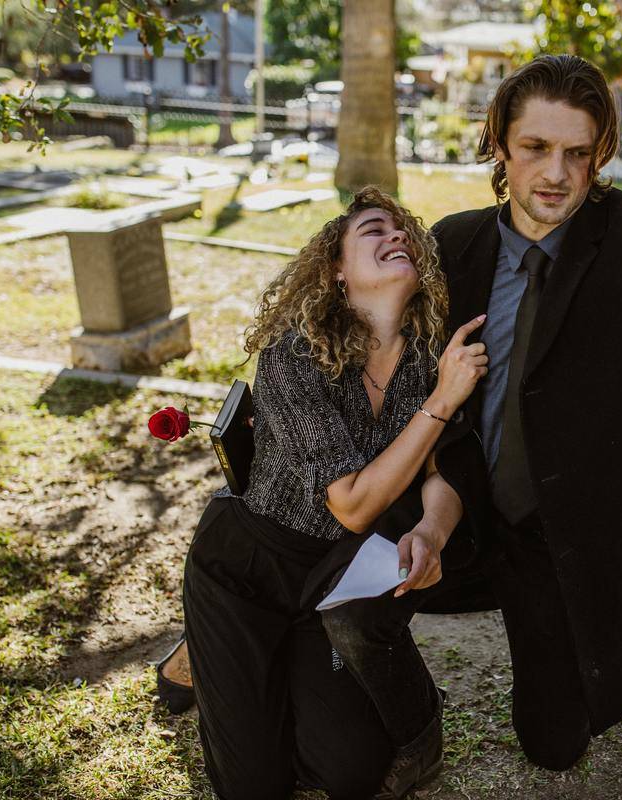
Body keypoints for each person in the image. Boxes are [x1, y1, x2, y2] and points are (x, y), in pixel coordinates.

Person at [322, 54, 622, 773]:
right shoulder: (452, 248)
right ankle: (411, 719)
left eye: (577, 153)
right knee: (336, 591)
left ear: (600, 154)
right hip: (452, 507)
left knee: (553, 747)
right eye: (535, 149)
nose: (556, 173)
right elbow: (359, 337)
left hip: (557, 541)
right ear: (500, 145)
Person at [180, 186, 488, 800]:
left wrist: (432, 530)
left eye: (404, 233)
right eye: (374, 230)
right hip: (245, 570)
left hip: (331, 581)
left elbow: (439, 473)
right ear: (338, 271)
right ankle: (195, 659)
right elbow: (350, 502)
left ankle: (250, 679)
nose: (396, 236)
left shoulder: (431, 360)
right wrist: (442, 401)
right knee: (255, 786)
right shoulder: (294, 355)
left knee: (349, 772)